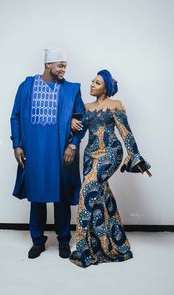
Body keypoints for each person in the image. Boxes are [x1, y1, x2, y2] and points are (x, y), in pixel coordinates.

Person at [69, 69, 151, 268]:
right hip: (90, 155)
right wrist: (70, 121)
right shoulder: (86, 108)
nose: (91, 84)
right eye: (92, 81)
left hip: (111, 153)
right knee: (100, 195)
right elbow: (78, 131)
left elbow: (126, 133)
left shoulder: (116, 105)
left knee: (87, 190)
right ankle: (112, 242)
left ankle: (82, 247)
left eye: (96, 83)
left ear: (105, 87)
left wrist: (136, 157)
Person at [10, 48, 85, 259]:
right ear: (48, 65)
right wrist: (17, 144)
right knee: (36, 197)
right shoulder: (26, 87)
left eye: (65, 66)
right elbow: (15, 116)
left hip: (60, 152)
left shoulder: (70, 90)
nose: (64, 70)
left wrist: (73, 145)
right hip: (34, 152)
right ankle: (37, 241)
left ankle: (63, 241)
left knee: (60, 196)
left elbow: (83, 121)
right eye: (60, 65)